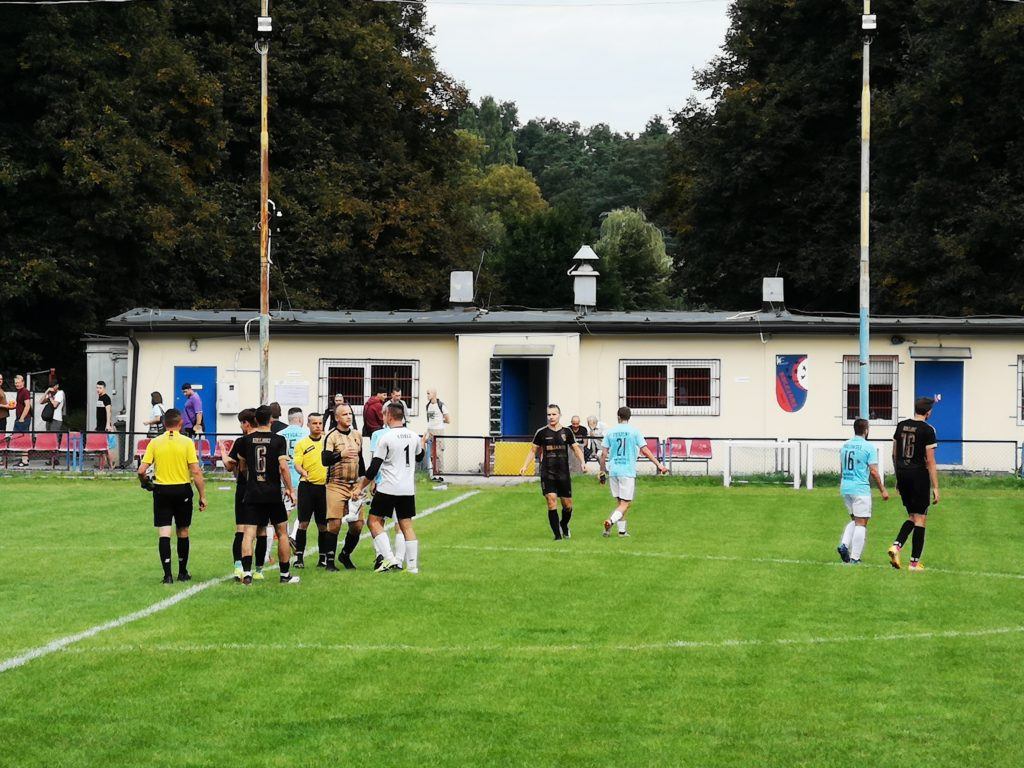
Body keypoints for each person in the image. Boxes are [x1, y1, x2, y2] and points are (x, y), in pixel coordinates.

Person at [225, 404, 300, 585]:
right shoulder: (278, 440)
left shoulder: (245, 441)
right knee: (282, 532)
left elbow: (241, 468)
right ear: (271, 421)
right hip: (273, 493)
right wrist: (290, 489)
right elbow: (283, 467)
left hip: (252, 492)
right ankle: (284, 575)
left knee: (248, 533)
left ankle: (247, 573)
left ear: (256, 420)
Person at [352, 401, 427, 573]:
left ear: (389, 416)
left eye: (384, 414)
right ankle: (413, 567)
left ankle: (390, 559)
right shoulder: (413, 435)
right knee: (406, 525)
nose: (382, 417)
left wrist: (360, 487)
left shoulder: (386, 437)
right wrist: (422, 444)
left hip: (388, 488)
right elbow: (419, 457)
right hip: (407, 489)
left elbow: (374, 467)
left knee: (373, 522)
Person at [137, 408, 207, 583]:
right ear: (181, 423)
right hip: (182, 489)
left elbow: (141, 470)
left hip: (162, 490)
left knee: (164, 532)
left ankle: (167, 575)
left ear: (164, 423)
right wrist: (202, 495)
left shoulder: (155, 442)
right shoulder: (187, 442)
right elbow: (196, 471)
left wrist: (145, 482)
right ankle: (183, 572)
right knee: (183, 530)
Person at [519, 404, 587, 540]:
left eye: (554, 414)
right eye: (549, 414)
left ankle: (564, 524)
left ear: (559, 415)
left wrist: (583, 463)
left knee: (567, 505)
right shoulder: (541, 432)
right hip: (547, 472)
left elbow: (576, 449)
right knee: (551, 501)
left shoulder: (567, 432)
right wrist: (525, 466)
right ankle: (557, 536)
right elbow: (533, 451)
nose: (551, 417)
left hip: (563, 473)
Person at [598, 406, 668, 537]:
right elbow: (645, 450)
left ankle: (622, 531)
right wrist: (659, 465)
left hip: (614, 470)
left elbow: (603, 454)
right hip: (627, 470)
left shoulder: (610, 432)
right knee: (626, 503)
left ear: (618, 416)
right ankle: (610, 521)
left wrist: (602, 471)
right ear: (629, 418)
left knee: (620, 503)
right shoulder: (634, 432)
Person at [888, 397, 940, 571]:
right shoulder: (928, 430)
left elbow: (894, 454)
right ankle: (914, 563)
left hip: (903, 474)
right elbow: (931, 462)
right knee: (921, 519)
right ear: (928, 412)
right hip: (919, 476)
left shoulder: (901, 426)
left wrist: (897, 478)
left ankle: (896, 546)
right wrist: (936, 487)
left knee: (912, 516)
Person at [836, 418, 889, 565]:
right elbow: (873, 471)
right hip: (860, 488)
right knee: (861, 523)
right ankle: (855, 558)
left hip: (846, 486)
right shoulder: (868, 447)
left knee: (855, 519)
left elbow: (842, 467)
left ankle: (844, 545)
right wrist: (883, 490)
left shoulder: (845, 445)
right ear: (866, 430)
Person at [321, 403, 365, 570]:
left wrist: (362, 484)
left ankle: (345, 554)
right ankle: (330, 562)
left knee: (358, 525)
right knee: (334, 523)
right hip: (335, 484)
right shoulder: (331, 436)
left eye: (350, 413)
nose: (349, 416)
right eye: (345, 414)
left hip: (354, 485)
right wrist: (341, 454)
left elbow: (361, 462)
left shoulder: (357, 435)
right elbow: (325, 460)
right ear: (337, 418)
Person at [223, 408, 257, 580]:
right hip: (264, 488)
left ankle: (238, 566)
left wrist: (223, 453)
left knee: (241, 529)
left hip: (245, 487)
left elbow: (230, 466)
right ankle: (258, 569)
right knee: (262, 530)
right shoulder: (268, 439)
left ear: (246, 423)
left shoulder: (242, 441)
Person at [293, 413, 328, 569]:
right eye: (314, 423)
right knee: (303, 523)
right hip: (306, 487)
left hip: (324, 488)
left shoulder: (328, 442)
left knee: (323, 525)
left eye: (320, 423)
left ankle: (323, 558)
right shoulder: (302, 443)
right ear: (308, 425)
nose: (318, 426)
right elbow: (297, 464)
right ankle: (299, 557)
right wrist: (303, 472)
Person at [424, 388, 450, 479]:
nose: (427, 395)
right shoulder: (428, 406)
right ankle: (434, 471)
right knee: (431, 452)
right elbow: (429, 419)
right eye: (427, 394)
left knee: (439, 452)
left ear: (434, 394)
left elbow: (448, 420)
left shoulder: (441, 405)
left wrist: (440, 420)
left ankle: (440, 472)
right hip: (430, 430)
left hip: (438, 431)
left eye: (429, 393)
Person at [95, 381, 118, 469]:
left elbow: (109, 411)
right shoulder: (99, 398)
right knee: (103, 448)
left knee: (107, 447)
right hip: (99, 426)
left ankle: (111, 465)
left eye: (100, 388)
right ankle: (108, 465)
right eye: (97, 387)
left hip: (105, 427)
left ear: (104, 388)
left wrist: (108, 424)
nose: (98, 389)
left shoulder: (106, 398)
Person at [13, 374, 32, 467]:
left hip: (24, 419)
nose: (17, 384)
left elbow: (27, 405)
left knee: (23, 439)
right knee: (19, 438)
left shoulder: (25, 391)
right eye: (15, 383)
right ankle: (24, 458)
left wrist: (22, 417)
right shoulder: (19, 392)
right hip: (19, 418)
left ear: (23, 382)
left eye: (18, 382)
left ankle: (25, 460)